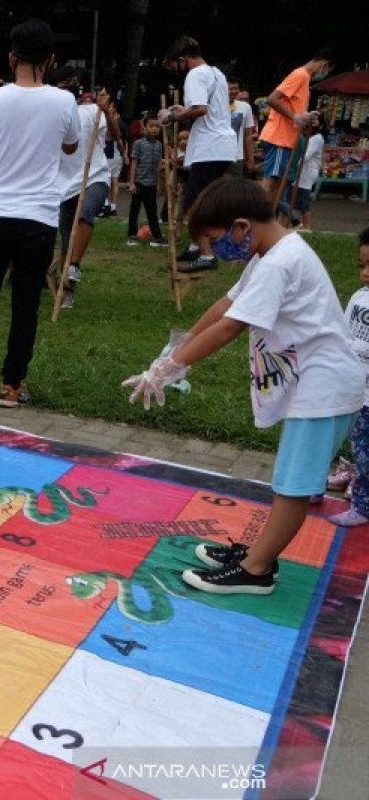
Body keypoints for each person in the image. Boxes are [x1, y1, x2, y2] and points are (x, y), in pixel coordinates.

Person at [124, 178, 362, 594]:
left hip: (325, 386)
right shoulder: (270, 251)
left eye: (216, 240)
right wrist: (171, 352)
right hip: (315, 380)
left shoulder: (278, 263)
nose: (216, 252)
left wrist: (170, 368)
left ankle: (256, 570)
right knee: (291, 477)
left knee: (295, 485)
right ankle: (259, 554)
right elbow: (225, 306)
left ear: (240, 226)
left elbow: (231, 327)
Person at [0, 19, 79, 407]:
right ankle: (11, 385)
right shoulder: (64, 101)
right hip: (38, 217)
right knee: (25, 303)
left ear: (12, 58)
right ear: (51, 59)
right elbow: (72, 148)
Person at [161, 37, 236, 274]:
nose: (176, 71)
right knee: (209, 199)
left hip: (209, 146)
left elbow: (200, 109)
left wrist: (170, 118)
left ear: (183, 60)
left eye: (175, 66)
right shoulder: (217, 73)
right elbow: (207, 108)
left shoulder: (194, 75)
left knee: (194, 203)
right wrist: (181, 111)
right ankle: (196, 246)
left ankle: (206, 254)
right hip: (224, 145)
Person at [52, 75, 120, 310]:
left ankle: (74, 267)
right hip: (65, 184)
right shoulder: (51, 116)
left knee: (87, 213)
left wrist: (107, 112)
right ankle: (66, 290)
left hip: (95, 175)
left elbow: (114, 134)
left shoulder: (91, 111)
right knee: (65, 238)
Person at [327, 228, 369, 527]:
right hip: (353, 387)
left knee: (365, 448)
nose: (365, 273)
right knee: (355, 442)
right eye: (362, 265)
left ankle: (364, 505)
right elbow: (343, 333)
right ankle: (354, 472)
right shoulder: (358, 297)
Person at [259, 50, 333, 198]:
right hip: (279, 137)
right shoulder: (300, 75)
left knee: (277, 182)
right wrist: (295, 117)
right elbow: (272, 99)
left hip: (286, 138)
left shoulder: (304, 78)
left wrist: (304, 117)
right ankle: (257, 216)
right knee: (271, 181)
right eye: (328, 70)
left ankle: (264, 215)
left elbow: (294, 109)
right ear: (324, 65)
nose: (325, 73)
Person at [127, 117, 167, 247]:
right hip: (139, 182)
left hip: (151, 184)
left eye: (157, 126)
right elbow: (134, 163)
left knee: (152, 211)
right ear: (144, 128)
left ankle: (156, 236)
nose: (155, 129)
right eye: (152, 126)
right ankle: (132, 235)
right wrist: (132, 183)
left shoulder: (159, 145)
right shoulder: (138, 143)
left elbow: (157, 166)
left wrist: (159, 183)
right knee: (135, 210)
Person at [227, 79, 257, 177]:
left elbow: (248, 135)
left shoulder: (245, 107)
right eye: (231, 89)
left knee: (235, 188)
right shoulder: (214, 105)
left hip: (237, 157)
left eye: (236, 89)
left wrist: (250, 159)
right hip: (218, 156)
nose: (234, 91)